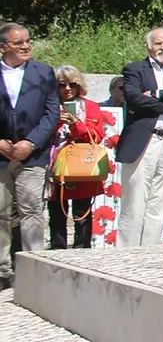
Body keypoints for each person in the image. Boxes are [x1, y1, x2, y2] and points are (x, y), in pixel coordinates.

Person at [115, 28, 163, 247]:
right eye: (158, 44)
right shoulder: (134, 70)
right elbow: (133, 99)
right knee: (135, 202)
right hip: (144, 141)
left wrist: (157, 95)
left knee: (160, 202)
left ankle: (151, 252)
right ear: (149, 46)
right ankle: (126, 254)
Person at [0, 23, 60, 290]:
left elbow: (52, 113)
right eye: (18, 43)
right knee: (0, 213)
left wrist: (31, 142)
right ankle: (2, 271)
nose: (26, 46)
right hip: (1, 156)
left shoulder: (43, 72)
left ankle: (35, 266)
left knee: (31, 211)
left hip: (32, 155)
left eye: (27, 41)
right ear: (3, 47)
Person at [47, 65, 111, 249]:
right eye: (61, 85)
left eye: (72, 85)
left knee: (82, 211)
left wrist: (76, 125)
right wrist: (56, 121)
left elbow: (97, 137)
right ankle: (57, 249)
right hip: (55, 165)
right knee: (57, 211)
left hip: (81, 164)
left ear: (79, 86)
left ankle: (82, 249)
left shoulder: (90, 106)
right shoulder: (50, 105)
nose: (67, 89)